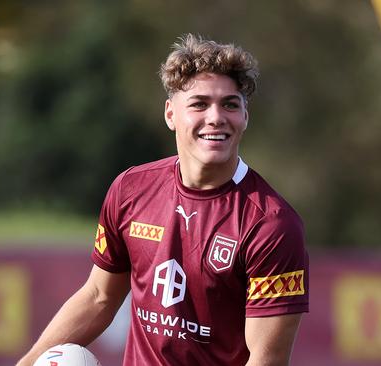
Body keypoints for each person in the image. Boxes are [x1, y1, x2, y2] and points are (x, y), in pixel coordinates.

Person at [17, 33, 309, 366]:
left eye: (230, 104)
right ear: (171, 114)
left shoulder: (272, 225)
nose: (216, 117)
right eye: (199, 104)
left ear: (245, 116)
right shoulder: (130, 189)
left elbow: (266, 360)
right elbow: (99, 297)